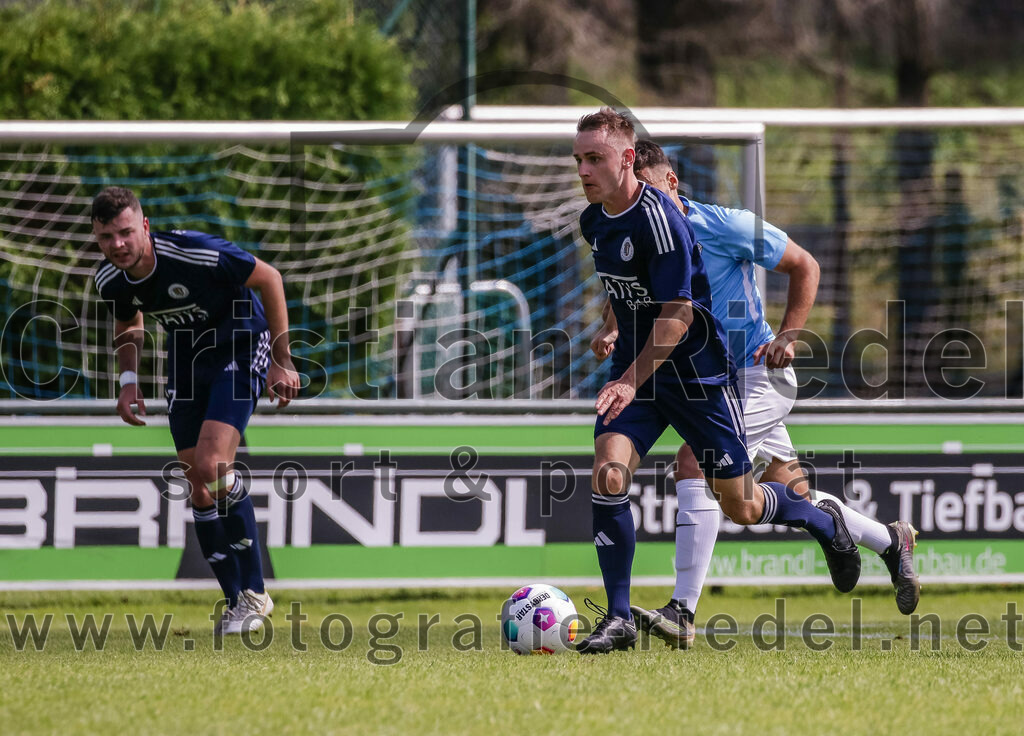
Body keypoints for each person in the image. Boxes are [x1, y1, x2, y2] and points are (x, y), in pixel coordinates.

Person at [591, 140, 919, 649]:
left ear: (673, 183)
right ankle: (890, 541)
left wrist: (790, 333)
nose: (648, 206)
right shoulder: (640, 227)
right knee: (789, 496)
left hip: (753, 372)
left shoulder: (725, 225)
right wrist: (613, 327)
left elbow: (804, 264)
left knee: (693, 462)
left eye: (655, 193)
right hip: (696, 377)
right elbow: (633, 288)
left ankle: (682, 609)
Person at [91, 187, 300, 635]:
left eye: (126, 232)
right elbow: (129, 321)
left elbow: (270, 279)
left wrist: (282, 359)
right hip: (188, 358)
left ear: (144, 226)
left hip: (241, 343)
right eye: (107, 237)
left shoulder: (196, 254)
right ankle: (234, 601)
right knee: (196, 483)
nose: (119, 245)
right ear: (97, 237)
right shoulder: (110, 279)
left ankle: (256, 593)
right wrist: (128, 382)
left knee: (212, 464)